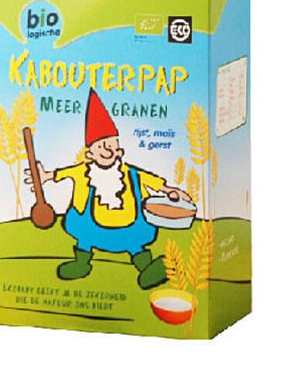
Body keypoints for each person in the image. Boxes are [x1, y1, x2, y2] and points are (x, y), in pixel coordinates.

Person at [25, 88, 192, 289]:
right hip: (91, 227)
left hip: (131, 226)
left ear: (119, 151)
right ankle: (81, 264)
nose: (107, 150)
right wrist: (44, 177)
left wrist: (170, 191)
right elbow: (58, 174)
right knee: (84, 236)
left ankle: (148, 268)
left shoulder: (132, 174)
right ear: (89, 154)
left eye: (111, 145)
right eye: (101, 146)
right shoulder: (82, 171)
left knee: (135, 244)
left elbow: (156, 183)